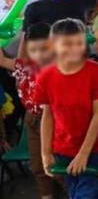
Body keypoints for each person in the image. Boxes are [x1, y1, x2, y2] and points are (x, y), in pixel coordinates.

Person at [34, 19, 98, 198]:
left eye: (79, 43)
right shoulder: (45, 76)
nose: (74, 49)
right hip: (63, 148)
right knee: (74, 191)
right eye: (67, 44)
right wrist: (45, 153)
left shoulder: (96, 71)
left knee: (84, 194)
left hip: (95, 147)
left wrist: (84, 153)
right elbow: (47, 115)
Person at [0, 24, 56, 199]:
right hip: (31, 119)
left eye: (44, 48)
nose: (39, 54)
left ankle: (74, 194)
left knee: (58, 166)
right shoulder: (25, 67)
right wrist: (24, 30)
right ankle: (47, 196)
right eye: (34, 49)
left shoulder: (60, 68)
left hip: (54, 120)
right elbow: (2, 60)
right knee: (38, 167)